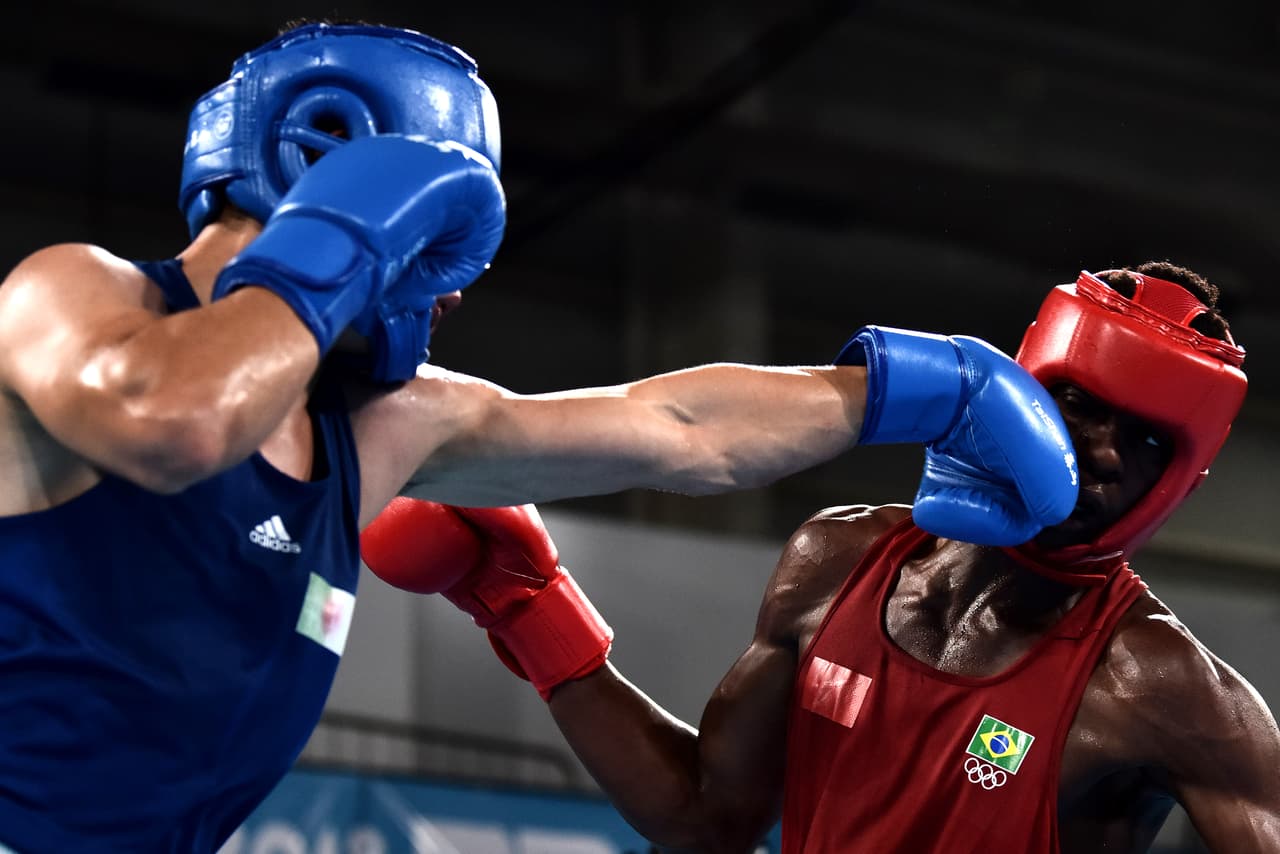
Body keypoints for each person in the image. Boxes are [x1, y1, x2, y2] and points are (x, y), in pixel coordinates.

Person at [0, 19, 1080, 854]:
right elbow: (168, 419)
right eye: (441, 237)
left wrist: (914, 392)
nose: (457, 294)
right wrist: (339, 237)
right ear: (324, 163)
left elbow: (675, 427)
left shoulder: (382, 427)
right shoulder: (74, 292)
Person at [365, 263, 1280, 853]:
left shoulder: (1168, 692)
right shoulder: (840, 557)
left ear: (1182, 480)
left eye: (1150, 441)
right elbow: (706, 817)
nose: (1107, 453)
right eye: (1082, 405)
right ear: (1025, 384)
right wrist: (526, 603)